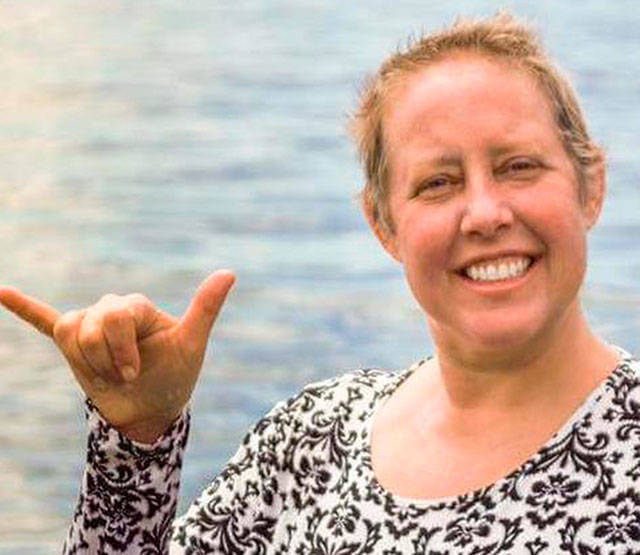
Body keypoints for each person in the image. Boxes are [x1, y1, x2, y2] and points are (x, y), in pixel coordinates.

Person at [1, 12, 639, 554]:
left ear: (591, 187)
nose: (485, 213)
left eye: (519, 166)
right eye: (438, 183)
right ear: (383, 225)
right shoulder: (312, 441)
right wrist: (138, 442)